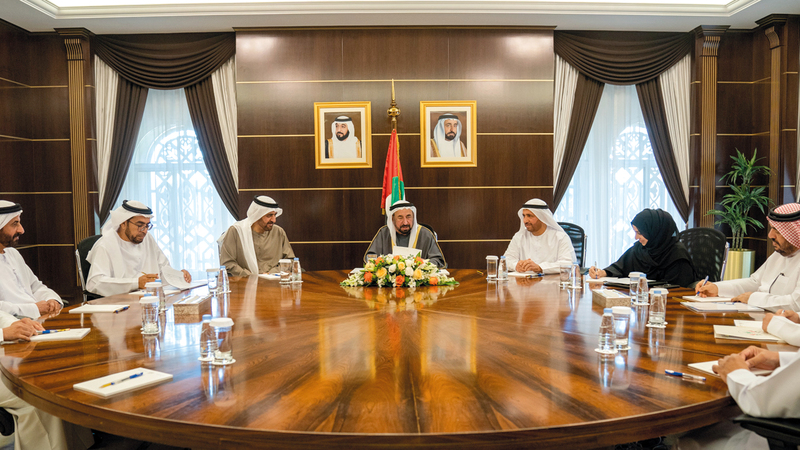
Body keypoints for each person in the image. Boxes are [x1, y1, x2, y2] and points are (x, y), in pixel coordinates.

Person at [697, 202, 800, 311]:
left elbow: (796, 303)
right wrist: (718, 288)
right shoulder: (779, 255)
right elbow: (755, 283)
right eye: (771, 228)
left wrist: (753, 298)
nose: (770, 235)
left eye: (777, 231)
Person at [86, 200, 191, 297]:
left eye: (147, 225)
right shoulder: (105, 245)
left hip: (149, 301)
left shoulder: (147, 239)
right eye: (140, 225)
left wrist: (179, 276)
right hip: (119, 304)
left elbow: (163, 270)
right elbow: (94, 283)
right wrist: (136, 283)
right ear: (123, 223)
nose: (145, 231)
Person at [589, 208, 697, 287]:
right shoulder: (640, 249)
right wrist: (603, 272)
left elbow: (677, 290)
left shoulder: (677, 256)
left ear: (654, 231)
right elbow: (620, 267)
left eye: (639, 233)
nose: (636, 238)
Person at [0, 201, 63, 318]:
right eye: (14, 224)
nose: (21, 230)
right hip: (13, 324)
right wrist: (34, 309)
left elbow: (35, 287)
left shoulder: (13, 254)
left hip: (38, 319)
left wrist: (51, 299)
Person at [219, 196, 295, 276]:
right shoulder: (236, 232)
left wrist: (271, 273)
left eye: (274, 215)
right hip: (244, 281)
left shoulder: (279, 232)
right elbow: (227, 263)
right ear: (257, 215)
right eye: (269, 215)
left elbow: (290, 260)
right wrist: (251, 277)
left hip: (273, 280)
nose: (274, 220)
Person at [364, 200, 446, 268]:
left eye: (408, 217)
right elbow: (370, 258)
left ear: (413, 217)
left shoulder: (425, 234)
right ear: (392, 219)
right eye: (400, 218)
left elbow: (438, 261)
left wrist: (423, 264)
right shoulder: (384, 234)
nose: (405, 222)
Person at [503, 198, 575, 274]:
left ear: (542, 217)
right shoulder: (519, 236)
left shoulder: (560, 237)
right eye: (524, 216)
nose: (525, 220)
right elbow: (505, 260)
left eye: (529, 216)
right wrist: (516, 266)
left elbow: (567, 263)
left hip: (551, 280)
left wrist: (540, 267)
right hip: (525, 280)